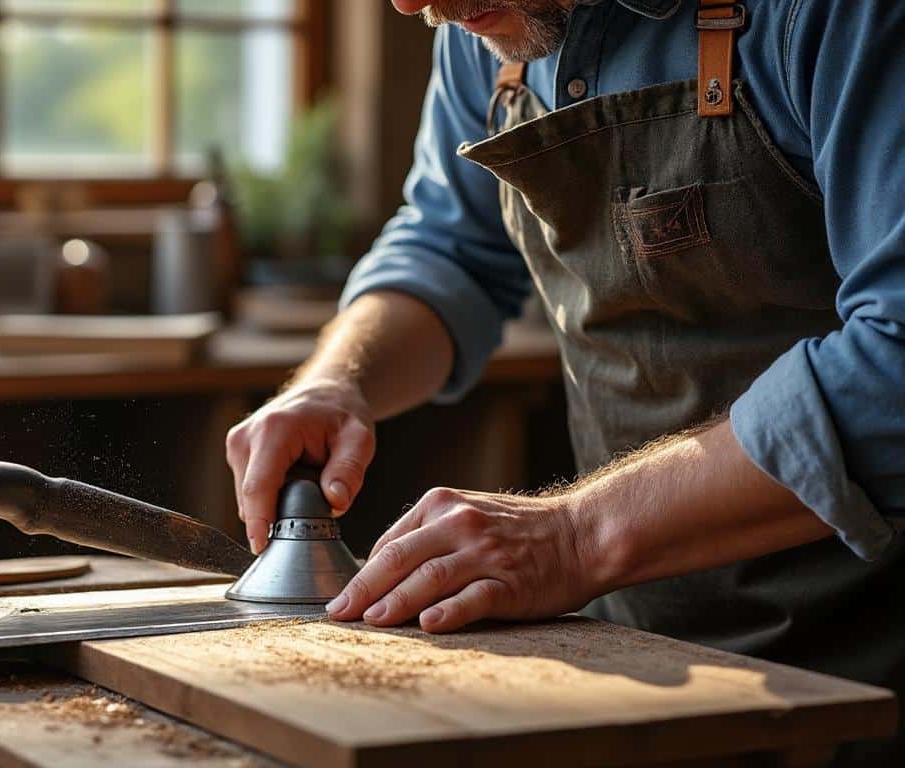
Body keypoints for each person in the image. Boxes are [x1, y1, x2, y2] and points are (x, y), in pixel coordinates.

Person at [224, 1, 905, 763]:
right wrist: (337, 380)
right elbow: (449, 247)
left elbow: (895, 366)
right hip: (637, 650)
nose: (412, 4)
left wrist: (576, 536)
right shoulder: (480, 22)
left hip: (874, 659)